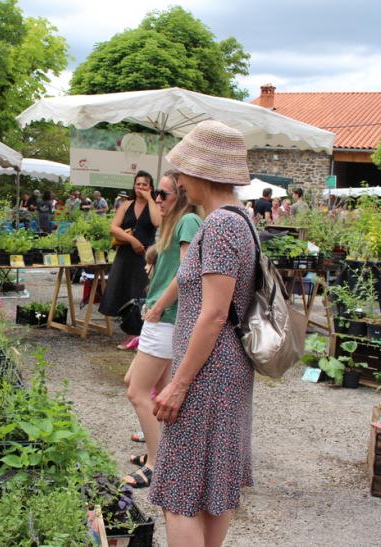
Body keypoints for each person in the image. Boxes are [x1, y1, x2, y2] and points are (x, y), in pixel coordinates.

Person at [148, 120, 257, 547]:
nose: (178, 180)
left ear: (201, 173)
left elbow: (212, 315)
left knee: (178, 493)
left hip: (207, 374)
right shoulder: (241, 220)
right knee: (213, 487)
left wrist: (178, 384)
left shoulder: (217, 226)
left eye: (182, 171)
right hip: (227, 370)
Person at [122, 171, 201, 489]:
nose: (156, 198)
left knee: (137, 391)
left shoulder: (189, 222)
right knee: (149, 389)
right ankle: (162, 452)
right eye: (155, 193)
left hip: (166, 318)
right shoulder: (176, 224)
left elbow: (186, 273)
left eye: (163, 194)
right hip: (163, 317)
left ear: (180, 196)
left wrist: (157, 307)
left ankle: (157, 465)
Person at [99, 171, 161, 318]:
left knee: (139, 290)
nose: (140, 187)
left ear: (150, 187)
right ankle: (124, 323)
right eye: (138, 184)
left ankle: (136, 327)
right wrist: (132, 240)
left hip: (144, 255)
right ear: (133, 187)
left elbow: (157, 222)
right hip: (125, 254)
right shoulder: (126, 204)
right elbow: (113, 228)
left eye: (144, 184)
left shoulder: (155, 205)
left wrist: (150, 200)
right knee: (120, 288)